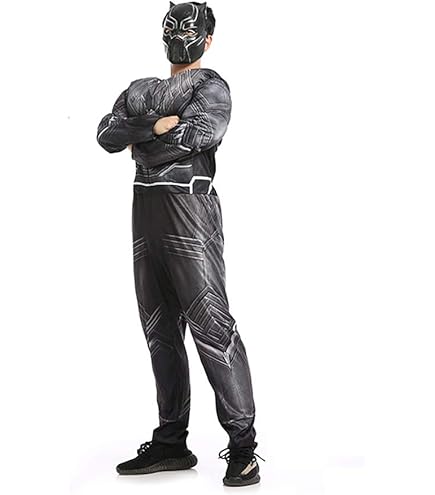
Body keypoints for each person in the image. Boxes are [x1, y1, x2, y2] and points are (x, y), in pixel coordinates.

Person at [96, 1, 264, 487]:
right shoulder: (139, 89)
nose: (180, 32)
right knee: (159, 331)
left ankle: (244, 449)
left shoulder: (210, 86)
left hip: (191, 216)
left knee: (213, 326)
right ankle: (171, 442)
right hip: (146, 218)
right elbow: (106, 134)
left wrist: (141, 142)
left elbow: (197, 135)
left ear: (207, 39)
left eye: (190, 26)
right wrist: (156, 127)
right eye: (173, 23)